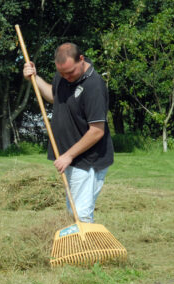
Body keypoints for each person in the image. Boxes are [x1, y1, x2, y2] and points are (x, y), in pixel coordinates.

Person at [22, 42, 114, 223]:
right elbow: (55, 97)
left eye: (70, 73)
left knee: (80, 213)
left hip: (88, 160)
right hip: (71, 157)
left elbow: (97, 131)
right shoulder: (64, 76)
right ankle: (81, 247)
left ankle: (88, 249)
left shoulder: (94, 86)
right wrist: (35, 77)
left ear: (81, 59)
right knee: (73, 210)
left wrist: (68, 156)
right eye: (61, 73)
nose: (66, 77)